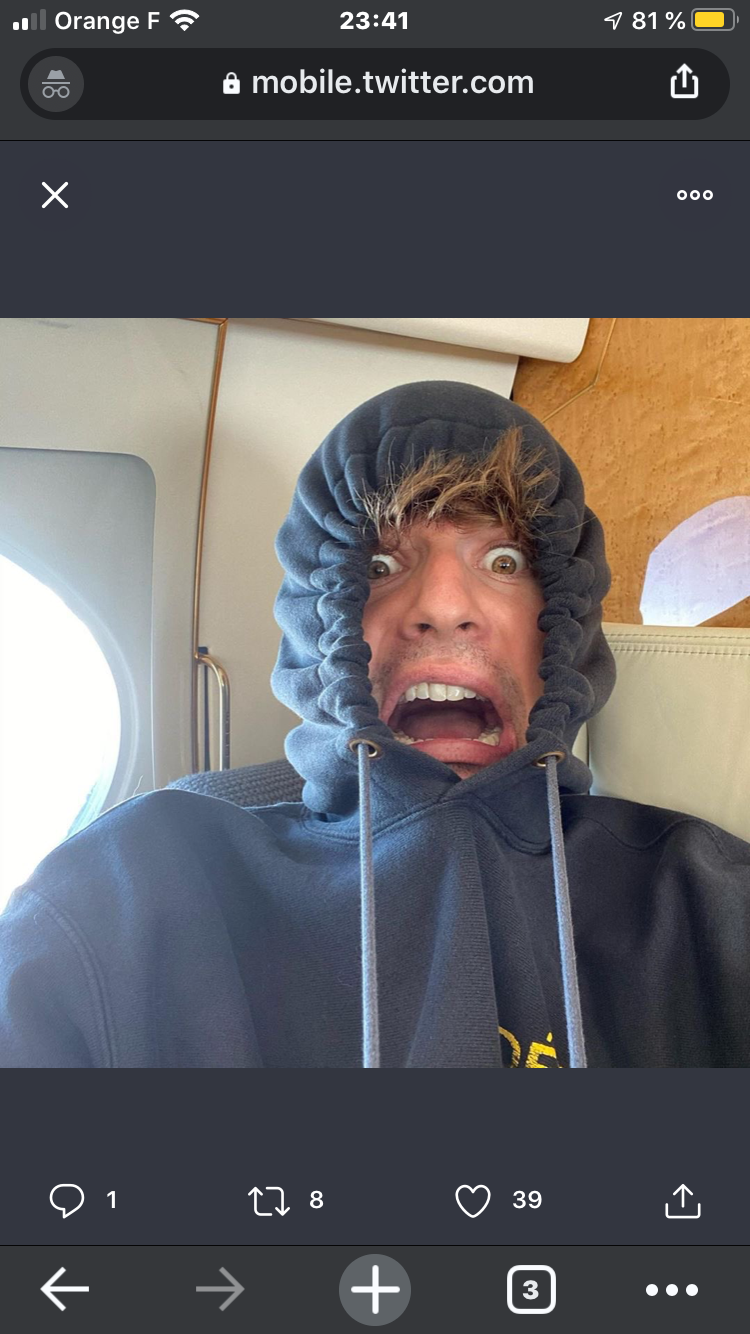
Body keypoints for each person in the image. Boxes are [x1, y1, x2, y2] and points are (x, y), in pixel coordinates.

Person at [0, 380, 748, 1067]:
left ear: (563, 628)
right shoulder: (127, 895)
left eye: (503, 560)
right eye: (382, 567)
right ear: (319, 620)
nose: (443, 606)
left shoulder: (704, 902)